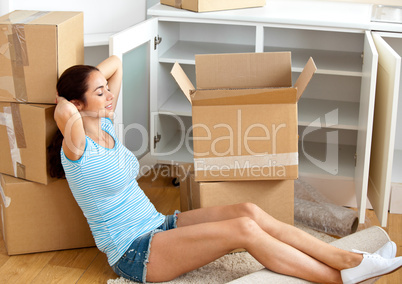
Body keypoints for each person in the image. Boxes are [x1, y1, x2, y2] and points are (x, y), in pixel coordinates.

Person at [48, 55, 402, 284]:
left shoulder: (105, 126)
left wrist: (94, 87)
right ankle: (341, 275)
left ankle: (345, 258)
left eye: (107, 90)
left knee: (248, 210)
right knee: (244, 231)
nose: (110, 95)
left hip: (159, 223)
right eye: (100, 92)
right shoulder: (77, 147)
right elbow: (61, 110)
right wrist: (63, 98)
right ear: (79, 106)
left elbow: (116, 64)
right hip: (135, 251)